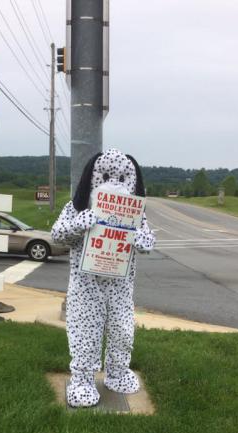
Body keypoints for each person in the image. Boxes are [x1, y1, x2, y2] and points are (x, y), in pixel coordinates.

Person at [51, 148, 156, 408]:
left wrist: (141, 238)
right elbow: (57, 234)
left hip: (120, 287)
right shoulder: (76, 208)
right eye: (107, 176)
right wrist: (79, 224)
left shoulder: (135, 213)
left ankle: (117, 372)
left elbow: (148, 241)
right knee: (86, 333)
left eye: (122, 178)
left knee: (122, 330)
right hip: (86, 285)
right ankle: (82, 380)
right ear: (93, 177)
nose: (114, 183)